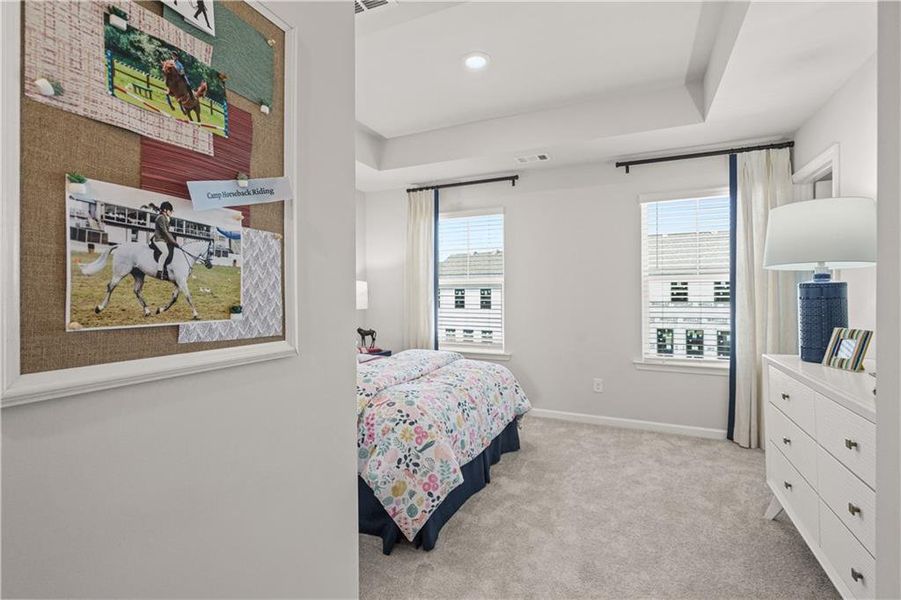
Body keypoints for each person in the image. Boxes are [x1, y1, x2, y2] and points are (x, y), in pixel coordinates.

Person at [153, 202, 178, 280]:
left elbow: (168, 232)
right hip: (158, 239)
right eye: (170, 211)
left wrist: (173, 241)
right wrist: (173, 241)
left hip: (163, 239)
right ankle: (159, 271)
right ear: (165, 210)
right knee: (165, 252)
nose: (171, 212)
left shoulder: (166, 218)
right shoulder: (161, 218)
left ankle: (167, 270)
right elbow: (165, 232)